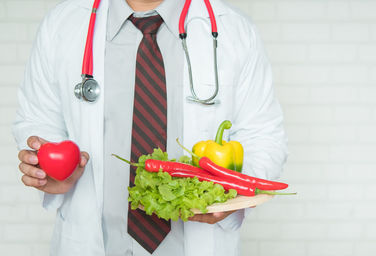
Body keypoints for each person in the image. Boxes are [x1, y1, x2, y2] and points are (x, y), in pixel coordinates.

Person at [12, 0, 287, 255]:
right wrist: (46, 166)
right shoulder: (63, 25)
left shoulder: (235, 30)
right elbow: (38, 118)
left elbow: (264, 135)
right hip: (93, 243)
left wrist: (230, 197)